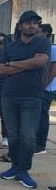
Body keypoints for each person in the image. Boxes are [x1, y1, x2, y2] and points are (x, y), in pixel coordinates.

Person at [0, 10, 50, 189]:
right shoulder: (10, 47)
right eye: (28, 23)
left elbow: (40, 62)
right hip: (9, 95)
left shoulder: (42, 42)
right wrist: (27, 64)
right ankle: (14, 167)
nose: (33, 26)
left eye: (36, 23)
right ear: (20, 26)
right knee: (13, 134)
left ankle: (23, 170)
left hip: (32, 96)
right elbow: (0, 70)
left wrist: (12, 64)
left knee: (28, 136)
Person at [35, 23, 56, 155]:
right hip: (38, 87)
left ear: (46, 33)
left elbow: (53, 71)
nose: (36, 33)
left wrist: (43, 87)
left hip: (46, 89)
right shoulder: (39, 48)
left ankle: (40, 145)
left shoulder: (52, 49)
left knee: (42, 116)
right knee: (36, 116)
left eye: (39, 31)